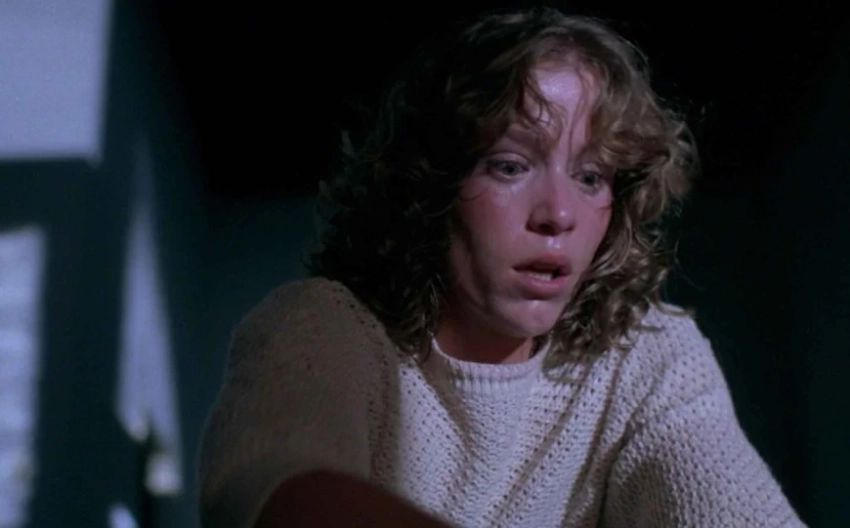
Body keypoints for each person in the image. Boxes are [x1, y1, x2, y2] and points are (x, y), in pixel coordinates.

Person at [197, 7, 805, 528]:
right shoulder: (326, 327)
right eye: (509, 166)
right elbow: (277, 489)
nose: (559, 214)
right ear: (430, 187)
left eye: (591, 176)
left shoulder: (648, 353)